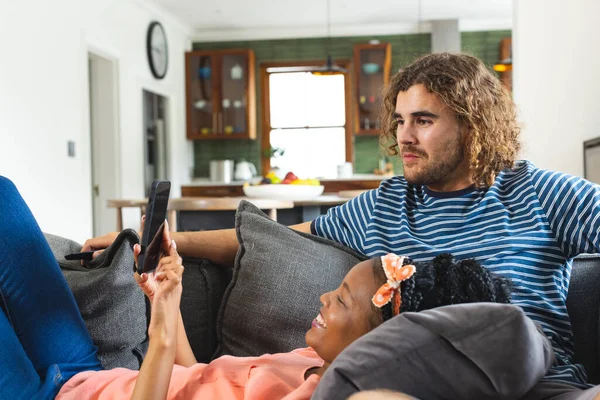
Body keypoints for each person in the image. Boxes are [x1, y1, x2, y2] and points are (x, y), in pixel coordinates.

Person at [81, 52, 600, 399]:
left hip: (544, 386)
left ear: (473, 124)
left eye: (423, 120)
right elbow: (283, 235)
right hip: (426, 388)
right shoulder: (390, 202)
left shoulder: (537, 192)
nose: (405, 137)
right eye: (400, 121)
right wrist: (163, 242)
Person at [0, 176, 513, 399]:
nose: (322, 299)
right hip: (84, 373)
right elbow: (194, 378)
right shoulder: (302, 359)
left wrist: (156, 340)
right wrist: (166, 302)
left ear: (385, 344)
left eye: (340, 302)